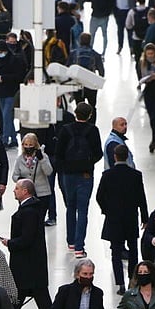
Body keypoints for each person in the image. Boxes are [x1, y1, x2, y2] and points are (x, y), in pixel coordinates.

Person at [1, 179, 52, 309]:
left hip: (28, 269)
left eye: (17, 188)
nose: (14, 191)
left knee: (20, 304)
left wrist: (10, 243)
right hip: (32, 269)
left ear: (25, 191)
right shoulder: (32, 209)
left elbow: (27, 239)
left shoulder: (29, 212)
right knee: (43, 305)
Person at [96, 145, 149, 293]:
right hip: (131, 218)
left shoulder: (107, 175)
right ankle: (133, 281)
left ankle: (120, 284)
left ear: (115, 156)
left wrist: (107, 210)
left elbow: (99, 196)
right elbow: (141, 198)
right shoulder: (135, 175)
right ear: (127, 156)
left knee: (116, 252)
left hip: (114, 219)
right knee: (133, 250)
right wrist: (145, 217)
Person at [55, 103, 103, 257]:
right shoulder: (93, 131)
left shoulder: (65, 129)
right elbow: (98, 153)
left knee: (70, 207)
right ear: (90, 115)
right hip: (85, 175)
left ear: (75, 113)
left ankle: (70, 241)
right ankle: (79, 247)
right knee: (83, 210)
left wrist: (66, 168)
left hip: (68, 174)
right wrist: (87, 165)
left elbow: (58, 153)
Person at [12, 133, 54, 221]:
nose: (28, 147)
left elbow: (49, 172)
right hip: (26, 195)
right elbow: (14, 176)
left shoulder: (43, 157)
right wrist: (21, 180)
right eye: (26, 144)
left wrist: (41, 159)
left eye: (31, 145)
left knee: (39, 221)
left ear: (35, 145)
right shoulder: (20, 159)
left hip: (42, 194)